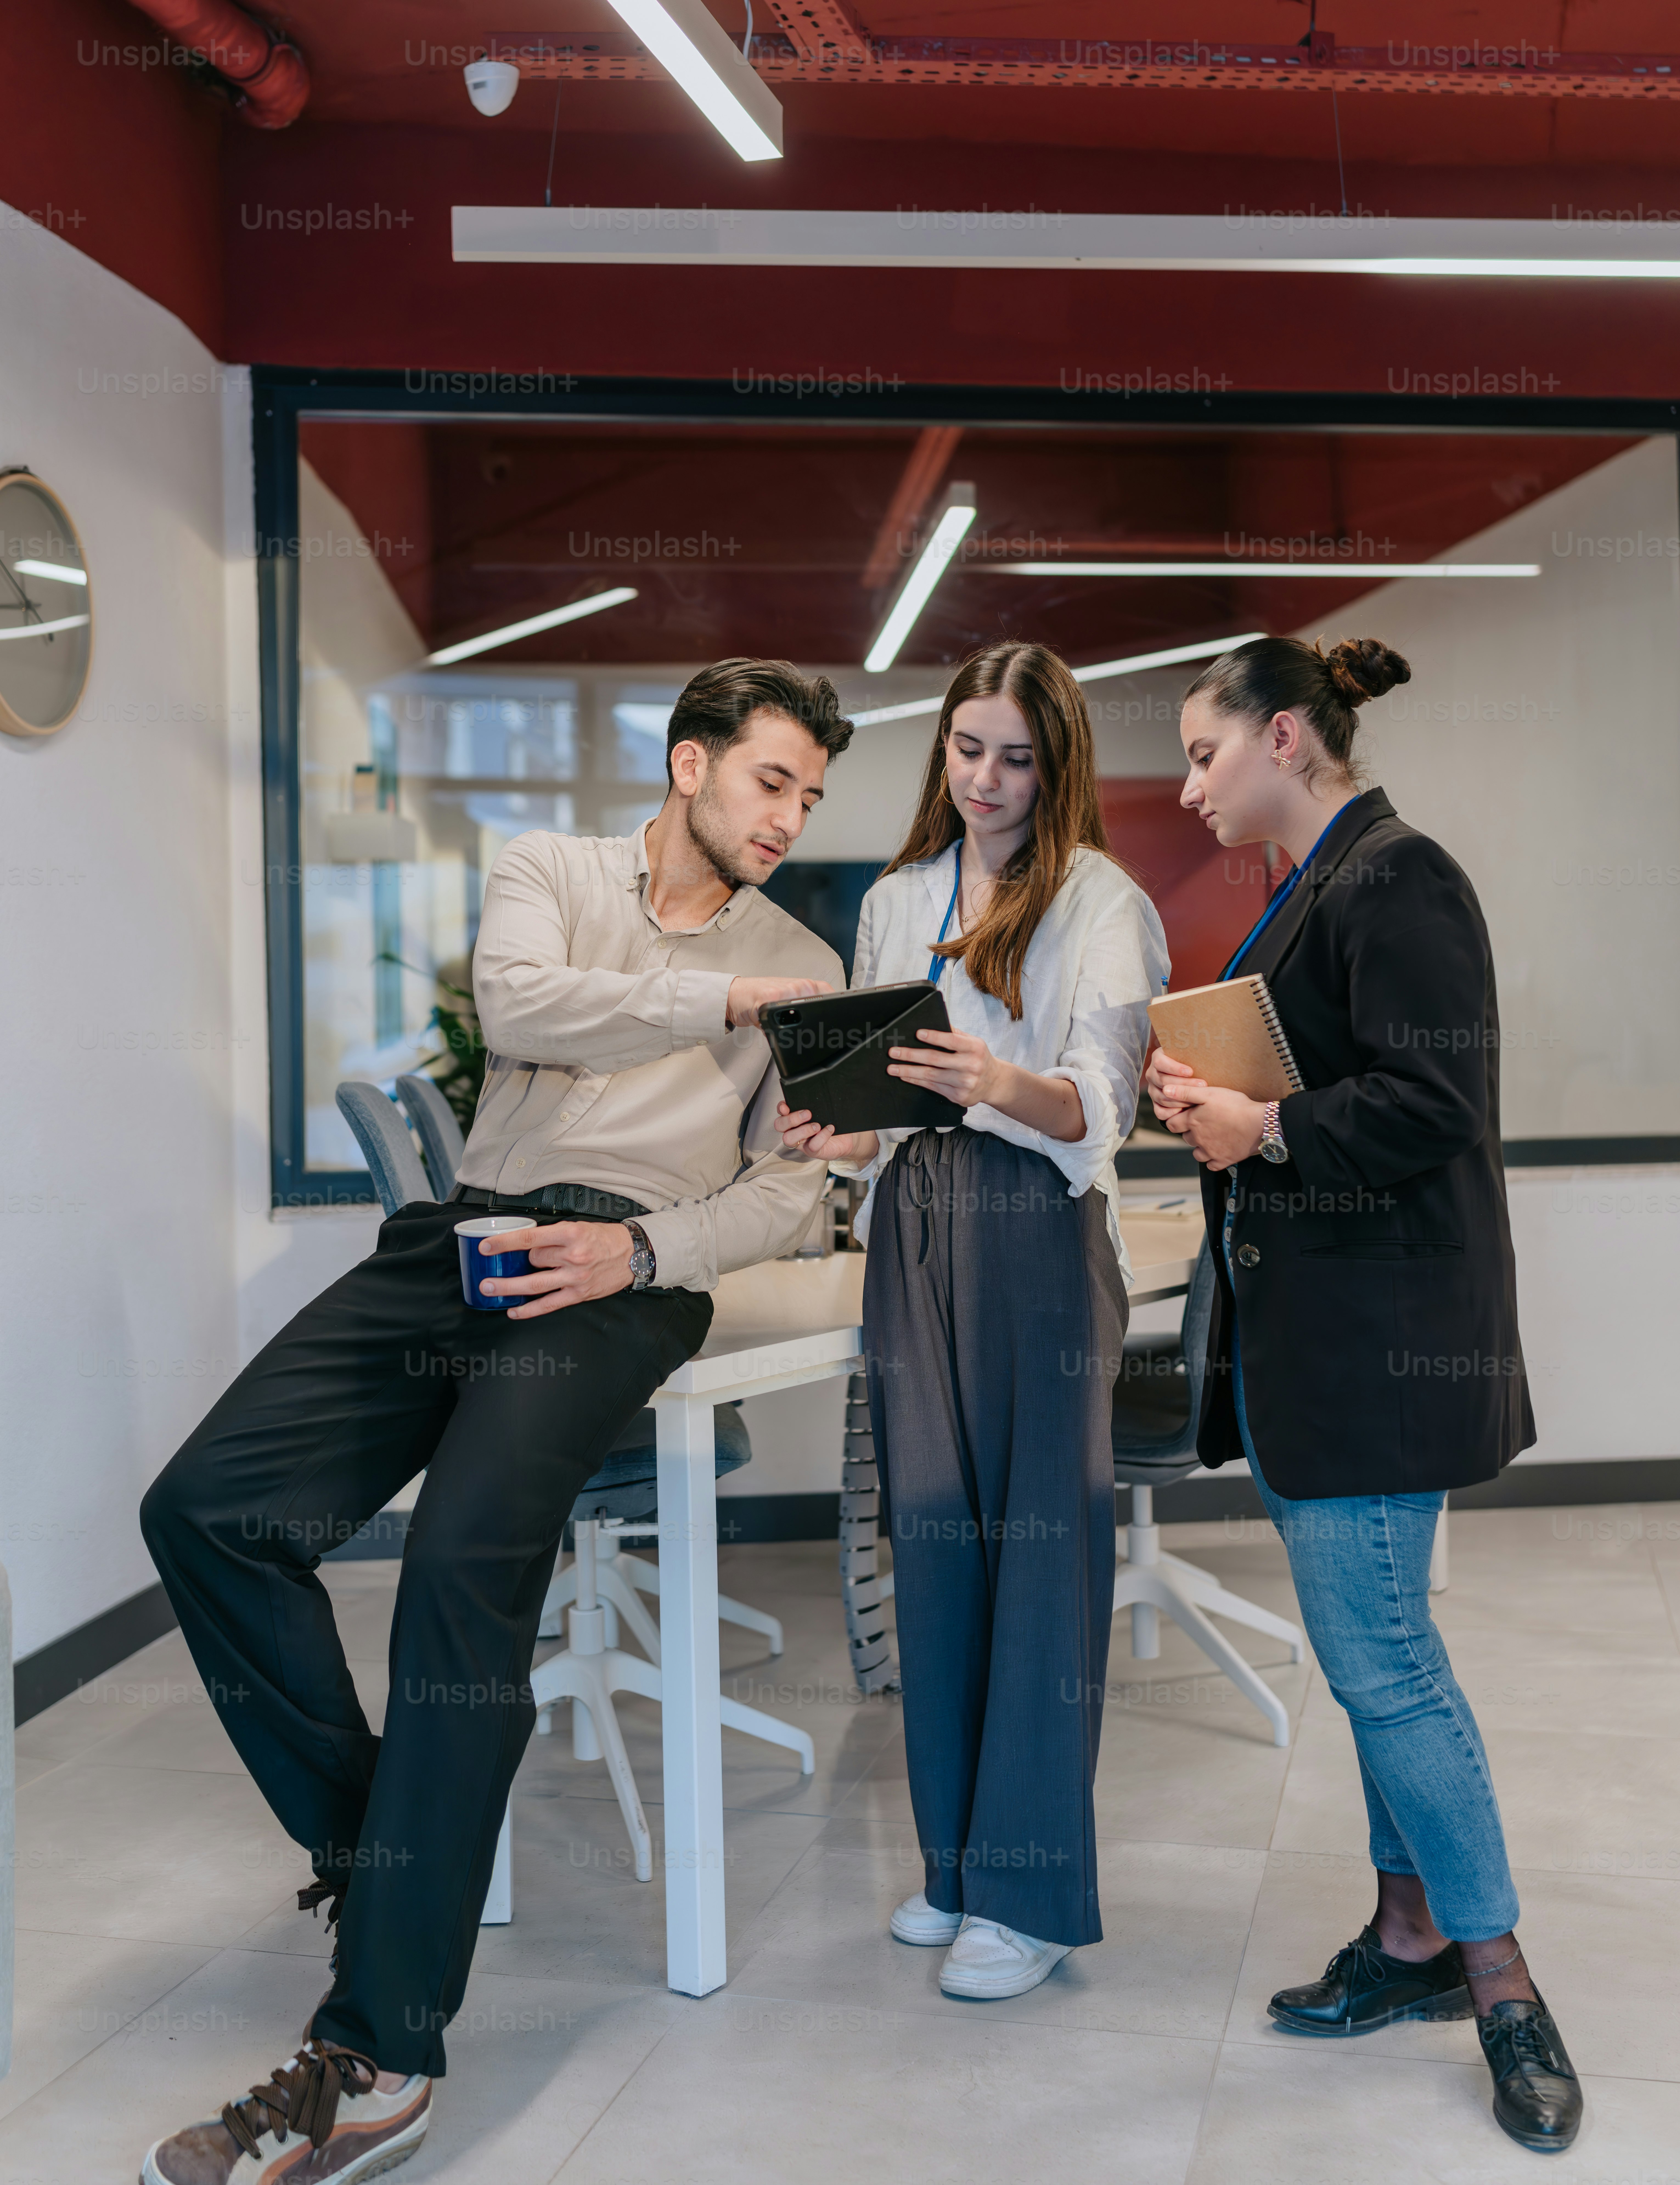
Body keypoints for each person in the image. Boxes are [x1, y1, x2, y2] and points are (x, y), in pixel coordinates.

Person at [137, 659, 851, 2185]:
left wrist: (638, 1251)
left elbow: (790, 1190)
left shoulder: (810, 958)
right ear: (689, 763)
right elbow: (525, 1002)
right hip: (463, 1238)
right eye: (769, 779)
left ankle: (380, 2052)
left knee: (461, 1567)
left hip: (620, 1277)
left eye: (809, 793)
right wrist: (727, 999)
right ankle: (380, 1852)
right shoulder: (556, 875)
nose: (790, 817)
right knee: (206, 1511)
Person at [1146, 634, 1582, 2155]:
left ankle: (1500, 1979)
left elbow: (1432, 1098)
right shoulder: (1305, 890)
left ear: (1284, 735)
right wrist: (1212, 1100)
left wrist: (1257, 1126)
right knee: (1368, 1661)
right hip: (1315, 1345)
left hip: (1378, 1351)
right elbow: (1323, 1078)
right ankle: (1409, 1935)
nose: (1187, 786)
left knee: (1386, 1664)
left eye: (1202, 752)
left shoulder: (1400, 876)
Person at [776, 640, 1169, 2000]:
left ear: (1055, 764)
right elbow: (880, 1105)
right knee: (936, 1545)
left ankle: (1031, 1892)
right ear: (940, 748)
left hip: (1035, 1226)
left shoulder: (1103, 900)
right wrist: (832, 1129)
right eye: (967, 749)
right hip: (913, 1225)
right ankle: (955, 1868)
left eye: (1016, 756)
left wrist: (994, 1079)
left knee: (1040, 1555)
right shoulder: (897, 899)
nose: (988, 779)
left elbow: (1100, 1109)